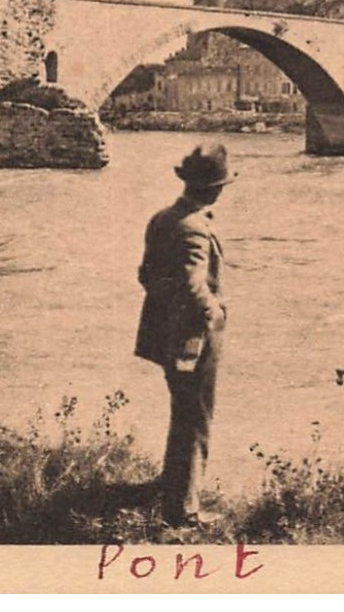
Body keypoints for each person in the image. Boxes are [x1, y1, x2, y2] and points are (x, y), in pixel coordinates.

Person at [134, 142, 234, 525]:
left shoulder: (162, 219)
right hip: (194, 339)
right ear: (214, 189)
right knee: (196, 419)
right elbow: (194, 287)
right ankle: (184, 510)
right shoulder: (195, 228)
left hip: (165, 336)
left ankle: (171, 488)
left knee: (182, 413)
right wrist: (215, 314)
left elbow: (146, 275)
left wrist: (166, 308)